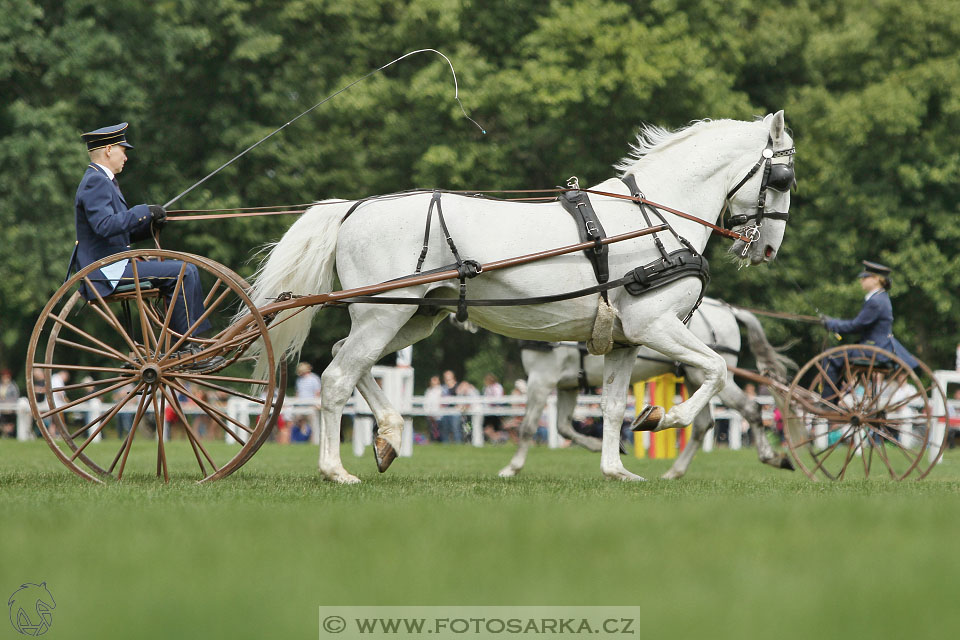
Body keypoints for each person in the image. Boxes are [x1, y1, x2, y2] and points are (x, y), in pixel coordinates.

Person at [67, 123, 222, 371]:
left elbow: (119, 234)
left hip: (115, 264)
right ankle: (189, 347)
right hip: (105, 271)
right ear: (108, 150)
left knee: (186, 270)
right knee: (184, 272)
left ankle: (190, 343)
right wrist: (142, 211)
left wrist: (150, 223)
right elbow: (105, 226)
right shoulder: (96, 182)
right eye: (122, 149)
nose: (125, 156)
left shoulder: (104, 181)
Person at [820, 260, 918, 401]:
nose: (862, 280)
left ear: (877, 279)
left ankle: (828, 401)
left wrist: (832, 324)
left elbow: (856, 326)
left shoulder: (876, 301)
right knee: (836, 355)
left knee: (830, 356)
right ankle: (833, 398)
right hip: (875, 347)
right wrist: (832, 322)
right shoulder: (880, 298)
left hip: (872, 350)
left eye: (865, 277)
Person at [0, 370, 19, 438]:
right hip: (2, 409)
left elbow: (15, 398)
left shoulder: (13, 387)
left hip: (10, 408)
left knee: (9, 423)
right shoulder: (1, 386)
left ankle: (8, 434)